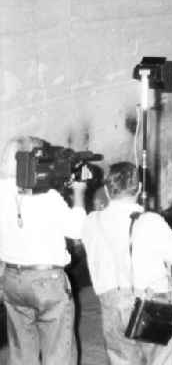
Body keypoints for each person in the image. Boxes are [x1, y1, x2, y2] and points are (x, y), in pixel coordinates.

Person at [82, 161, 172, 365]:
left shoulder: (90, 222)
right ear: (139, 188)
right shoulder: (149, 221)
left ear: (107, 189)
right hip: (150, 303)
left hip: (111, 307)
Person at [0, 136, 87, 365]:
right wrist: (79, 193)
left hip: (11, 278)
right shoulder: (47, 197)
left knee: (20, 351)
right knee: (58, 351)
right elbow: (77, 230)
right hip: (47, 281)